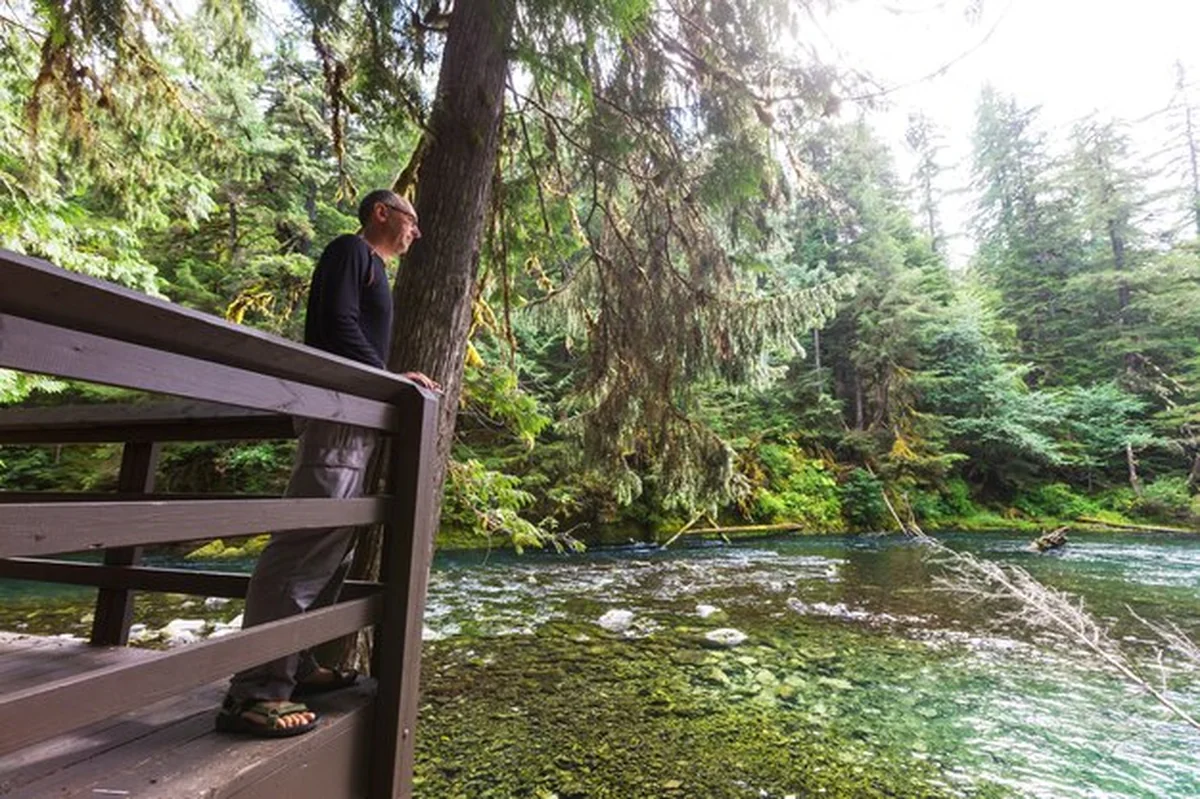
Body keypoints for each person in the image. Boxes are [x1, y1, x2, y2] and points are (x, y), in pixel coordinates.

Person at [216, 189, 439, 737]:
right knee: (306, 541)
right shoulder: (350, 251)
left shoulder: (376, 269)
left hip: (356, 414)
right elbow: (338, 328)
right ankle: (254, 691)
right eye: (412, 220)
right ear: (382, 214)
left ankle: (298, 665)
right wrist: (390, 379)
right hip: (337, 410)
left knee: (335, 541)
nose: (416, 232)